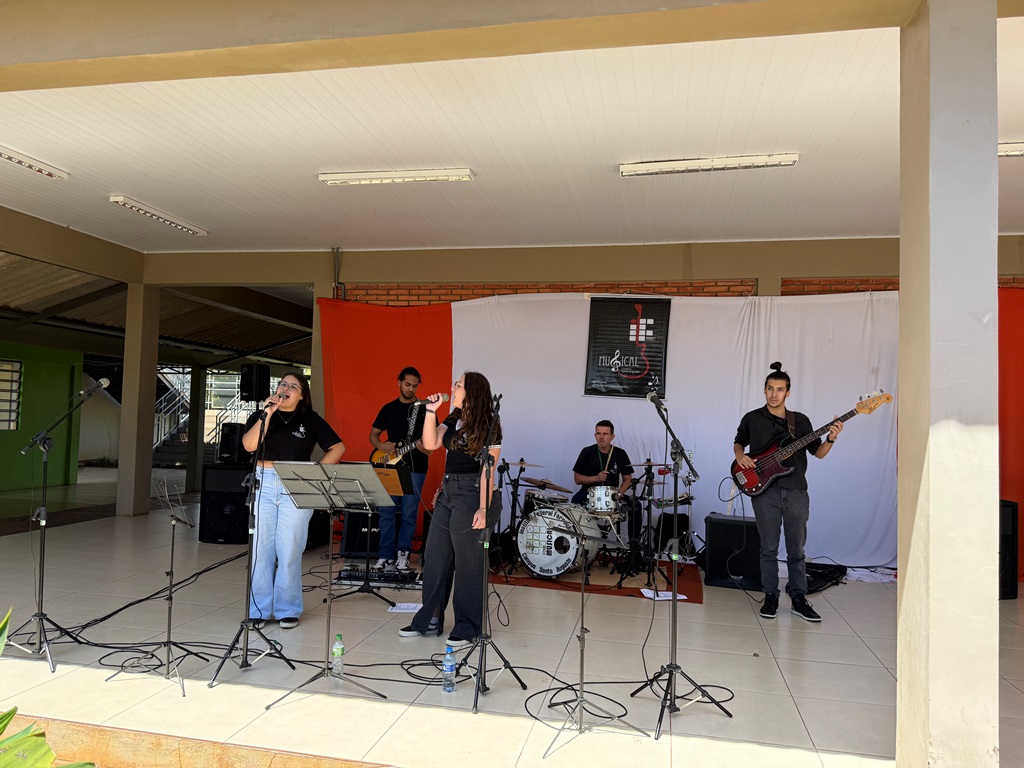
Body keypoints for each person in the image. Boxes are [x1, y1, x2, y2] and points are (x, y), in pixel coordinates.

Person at [398, 371, 502, 649]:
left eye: (458, 385)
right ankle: (430, 619)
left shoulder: (490, 423)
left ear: (472, 391)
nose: (453, 388)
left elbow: (488, 470)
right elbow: (430, 444)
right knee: (434, 556)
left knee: (467, 562)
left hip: (472, 492)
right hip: (448, 491)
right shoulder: (454, 417)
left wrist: (483, 507)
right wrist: (431, 412)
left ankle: (467, 627)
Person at [733, 362, 842, 623]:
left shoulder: (800, 421)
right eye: (770, 388)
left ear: (788, 393)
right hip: (765, 492)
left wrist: (831, 438)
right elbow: (739, 442)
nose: (774, 394)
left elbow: (818, 453)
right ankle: (770, 596)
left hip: (796, 491)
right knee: (768, 548)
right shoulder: (752, 418)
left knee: (796, 549)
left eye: (780, 389)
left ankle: (798, 598)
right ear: (764, 390)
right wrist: (740, 457)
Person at [241, 372, 345, 629]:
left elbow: (338, 447)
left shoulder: (310, 419)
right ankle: (258, 610)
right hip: (264, 481)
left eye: (292, 386)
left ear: (301, 395)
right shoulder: (261, 415)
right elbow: (249, 446)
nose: (285, 388)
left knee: (289, 549)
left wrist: (315, 475)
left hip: (297, 483)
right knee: (260, 551)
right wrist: (268, 413)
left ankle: (287, 609)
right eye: (282, 384)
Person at [369, 366, 431, 573]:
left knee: (408, 512)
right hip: (389, 465)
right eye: (407, 384)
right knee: (386, 511)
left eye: (414, 386)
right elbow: (373, 434)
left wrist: (425, 447)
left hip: (416, 467)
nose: (411, 389)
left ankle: (403, 554)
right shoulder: (389, 408)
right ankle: (385, 555)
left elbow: (432, 446)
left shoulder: (424, 409)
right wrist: (381, 446)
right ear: (399, 383)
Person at [571, 420, 640, 541]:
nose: (601, 437)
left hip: (613, 495)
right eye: (598, 433)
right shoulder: (587, 452)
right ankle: (577, 543)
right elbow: (577, 478)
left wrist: (619, 494)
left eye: (605, 434)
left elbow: (628, 479)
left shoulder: (620, 453)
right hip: (589, 493)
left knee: (636, 505)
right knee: (575, 501)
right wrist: (595, 478)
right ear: (595, 435)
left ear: (612, 436)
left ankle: (634, 545)